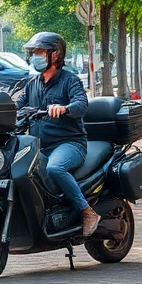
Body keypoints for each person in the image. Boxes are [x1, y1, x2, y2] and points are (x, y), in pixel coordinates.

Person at [16, 31, 98, 236]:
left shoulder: (70, 80)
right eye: (34, 51)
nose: (35, 55)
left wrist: (65, 108)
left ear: (55, 54)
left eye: (40, 51)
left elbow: (81, 104)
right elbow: (16, 106)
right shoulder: (32, 84)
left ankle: (87, 211)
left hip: (69, 144)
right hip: (38, 146)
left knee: (55, 168)